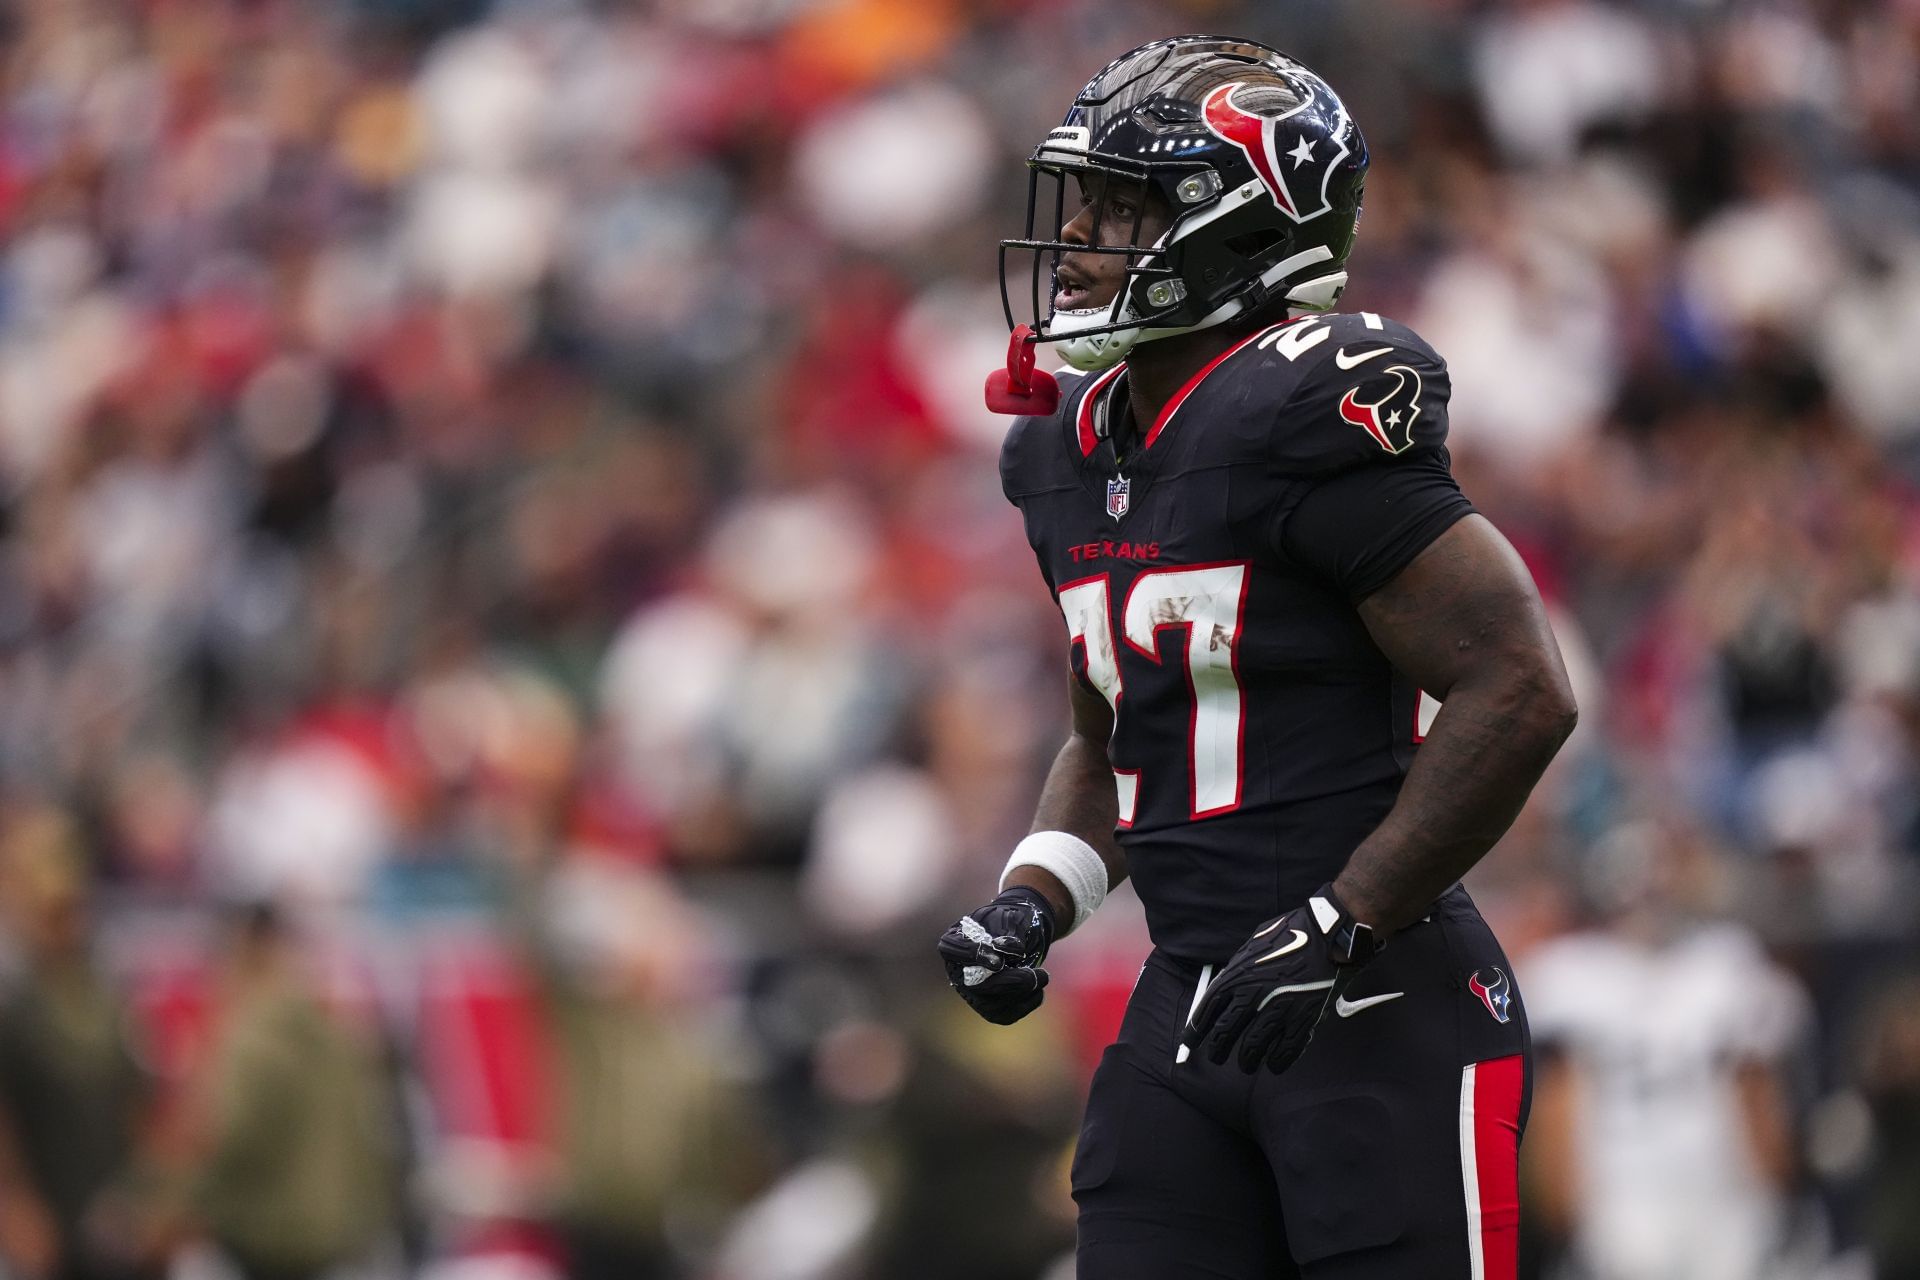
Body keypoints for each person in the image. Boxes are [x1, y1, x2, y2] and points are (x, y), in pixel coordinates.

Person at [938, 36, 1579, 1278]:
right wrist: (1033, 900)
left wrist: (1346, 917)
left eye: (1124, 205)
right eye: (1084, 199)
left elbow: (1520, 683)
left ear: (1240, 229)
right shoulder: (1063, 453)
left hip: (1380, 1008)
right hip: (1192, 1007)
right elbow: (1116, 734)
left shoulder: (1302, 407)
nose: (1079, 238)